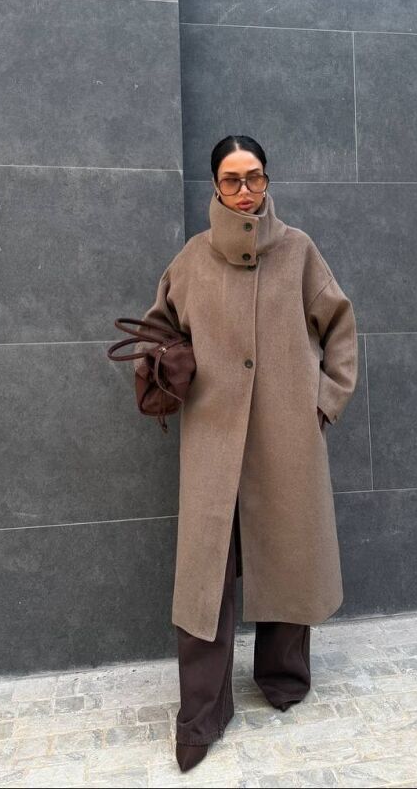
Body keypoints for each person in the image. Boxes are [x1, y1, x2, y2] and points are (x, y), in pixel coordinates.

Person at [135, 135, 359, 772]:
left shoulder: (299, 251)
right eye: (231, 179)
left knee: (287, 551)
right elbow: (157, 326)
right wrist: (163, 360)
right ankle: (200, 714)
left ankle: (283, 678)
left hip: (287, 434)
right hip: (213, 437)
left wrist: (324, 402)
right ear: (215, 185)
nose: (243, 191)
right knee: (205, 577)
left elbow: (340, 326)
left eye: (253, 177)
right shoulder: (193, 258)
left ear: (267, 180)